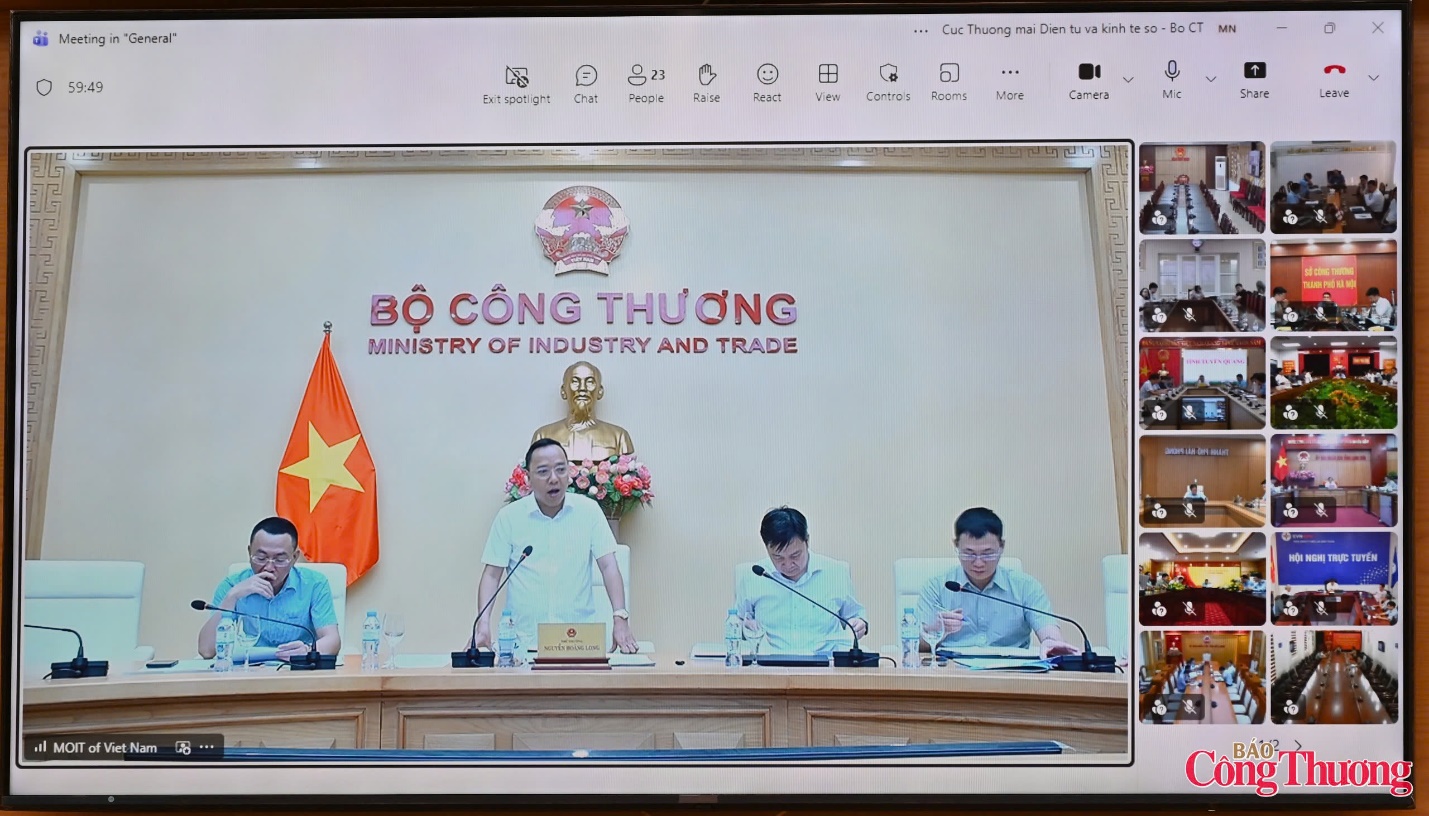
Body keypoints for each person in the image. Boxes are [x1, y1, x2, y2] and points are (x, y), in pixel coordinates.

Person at [474, 438, 638, 653]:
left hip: (578, 643)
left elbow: (609, 566)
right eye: (543, 472)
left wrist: (620, 617)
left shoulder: (589, 511)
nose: (554, 479)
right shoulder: (509, 518)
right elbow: (492, 575)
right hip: (524, 643)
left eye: (561, 469)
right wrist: (483, 623)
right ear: (528, 478)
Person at [916, 507, 1078, 658]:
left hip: (1011, 671)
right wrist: (935, 630)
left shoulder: (1026, 587)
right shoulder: (936, 587)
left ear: (1002, 546)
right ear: (956, 545)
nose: (978, 563)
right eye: (969, 554)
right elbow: (916, 645)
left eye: (987, 554)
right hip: (952, 670)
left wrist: (1051, 642)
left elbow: (1048, 631)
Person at [198, 517, 340, 660]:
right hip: (253, 668)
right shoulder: (232, 585)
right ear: (249, 552)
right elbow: (206, 650)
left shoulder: (315, 584)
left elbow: (332, 640)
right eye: (261, 558)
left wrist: (307, 651)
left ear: (294, 557)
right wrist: (232, 597)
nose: (269, 567)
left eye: (280, 560)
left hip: (297, 667)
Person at [735, 506, 867, 654]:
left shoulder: (836, 573)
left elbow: (855, 616)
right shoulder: (754, 577)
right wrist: (743, 629)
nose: (788, 564)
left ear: (807, 541)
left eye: (795, 555)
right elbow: (736, 623)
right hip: (770, 663)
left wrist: (859, 625)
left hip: (825, 663)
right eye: (778, 557)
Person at [530, 360, 635, 463]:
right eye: (575, 381)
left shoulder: (619, 437)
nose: (582, 388)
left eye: (590, 382)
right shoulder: (543, 435)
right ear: (563, 391)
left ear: (600, 391)